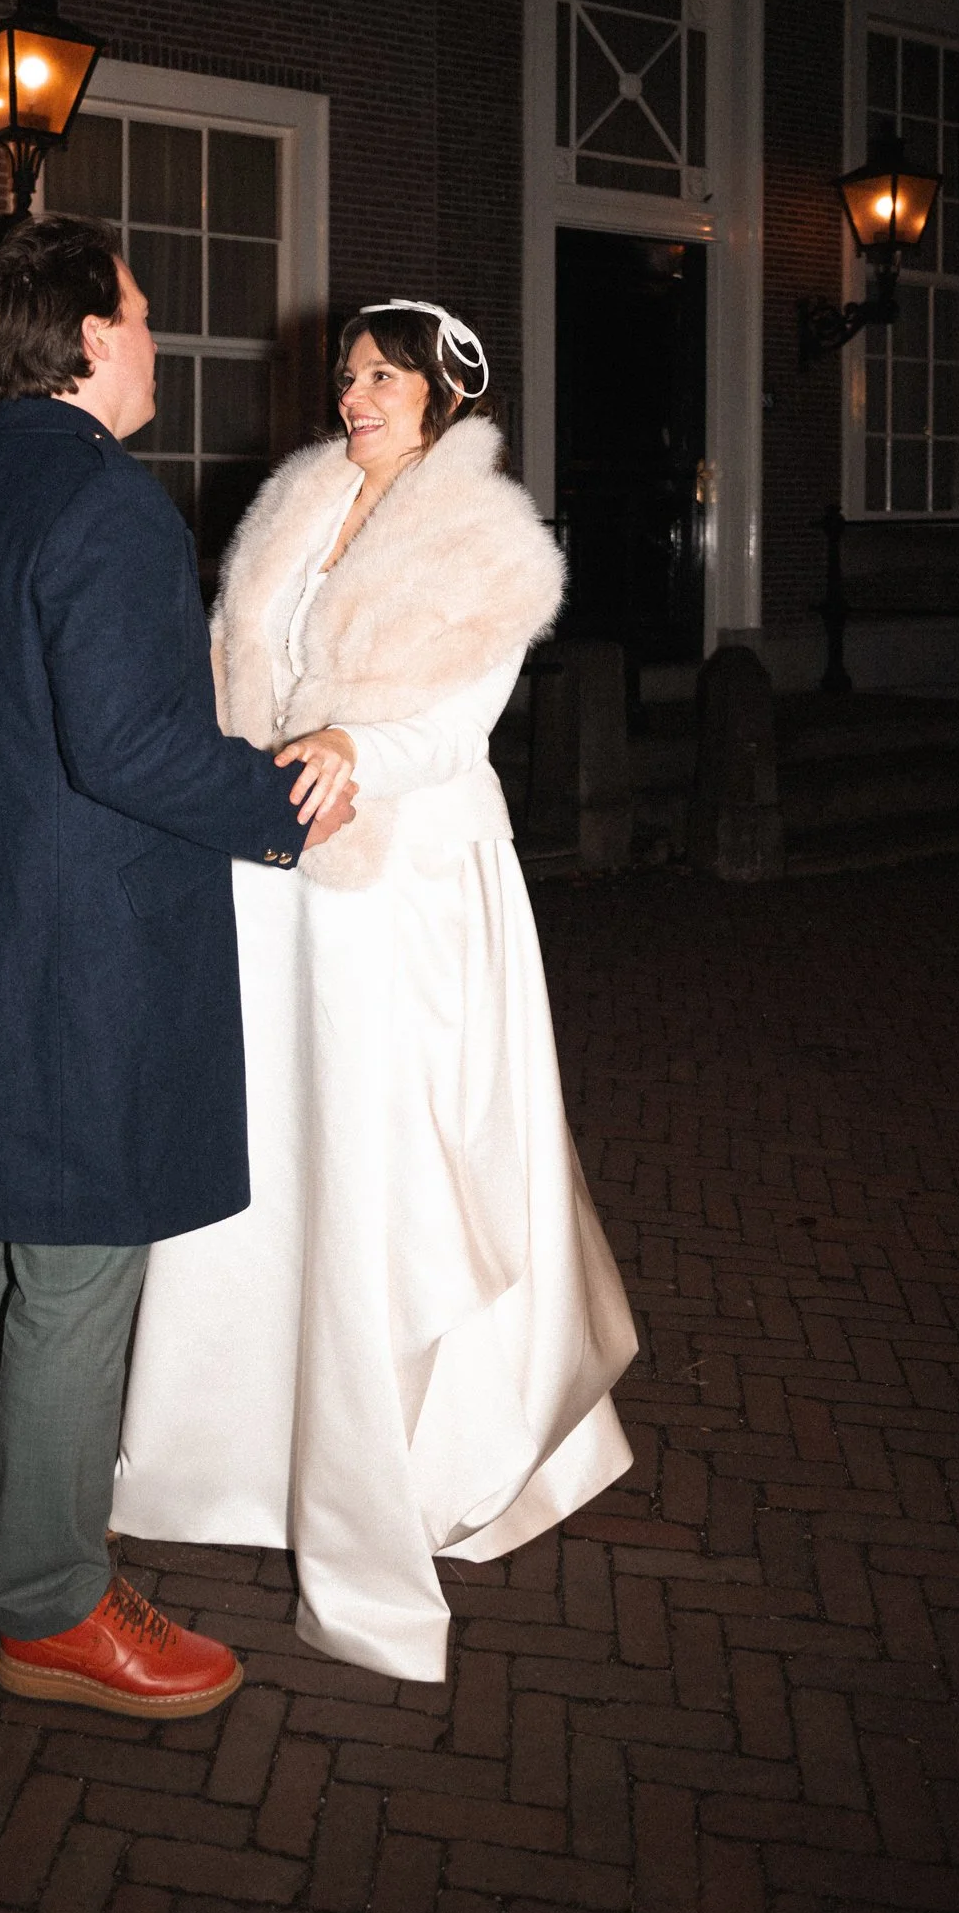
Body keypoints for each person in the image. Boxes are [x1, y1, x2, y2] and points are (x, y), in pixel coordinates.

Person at [0, 216, 355, 1720]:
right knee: (72, 1267)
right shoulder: (109, 503)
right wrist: (286, 805)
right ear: (85, 339)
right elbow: (133, 751)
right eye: (136, 316)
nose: (151, 340)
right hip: (81, 948)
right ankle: (54, 1602)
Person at [113, 300, 639, 1681]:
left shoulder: (488, 537)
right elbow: (236, 670)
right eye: (347, 375)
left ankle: (415, 1457)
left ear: (443, 398)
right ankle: (228, 1452)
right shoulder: (295, 504)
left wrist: (356, 744)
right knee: (277, 1153)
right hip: (276, 879)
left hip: (407, 882)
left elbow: (460, 723)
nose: (354, 396)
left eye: (383, 379)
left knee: (392, 1160)